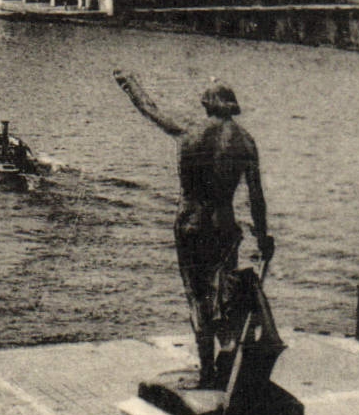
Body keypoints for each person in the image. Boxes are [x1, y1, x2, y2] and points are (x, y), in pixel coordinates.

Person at [114, 70, 274, 389]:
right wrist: (263, 236)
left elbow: (152, 110)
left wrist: (130, 84)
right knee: (225, 294)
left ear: (207, 105)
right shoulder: (246, 142)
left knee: (198, 296)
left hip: (192, 221)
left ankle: (206, 371)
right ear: (232, 107)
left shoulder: (190, 129)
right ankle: (225, 359)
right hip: (225, 225)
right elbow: (256, 196)